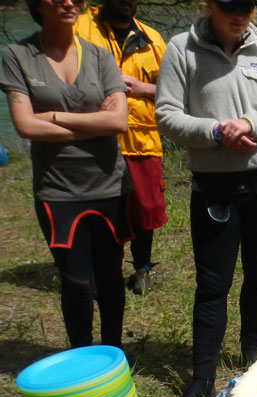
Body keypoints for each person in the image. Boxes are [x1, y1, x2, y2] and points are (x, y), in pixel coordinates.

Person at [155, 0, 257, 397]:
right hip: (214, 185)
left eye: (248, 6)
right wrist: (217, 131)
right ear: (210, 5)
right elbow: (166, 115)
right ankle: (201, 379)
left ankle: (251, 358)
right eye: (229, 5)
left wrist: (251, 124)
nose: (239, 14)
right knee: (212, 283)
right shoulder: (182, 49)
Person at [0, 0, 131, 350]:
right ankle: (82, 354)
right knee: (75, 281)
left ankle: (113, 351)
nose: (69, 2)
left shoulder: (101, 56)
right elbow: (25, 126)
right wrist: (94, 125)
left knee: (110, 275)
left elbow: (118, 122)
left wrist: (53, 117)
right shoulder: (18, 55)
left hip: (108, 184)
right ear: (37, 5)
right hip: (58, 189)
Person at [76, 0, 167, 296]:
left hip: (142, 138)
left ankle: (141, 270)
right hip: (96, 136)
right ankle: (93, 272)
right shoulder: (81, 28)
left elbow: (175, 91)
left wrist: (142, 89)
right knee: (97, 209)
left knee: (146, 210)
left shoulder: (152, 38)